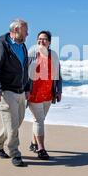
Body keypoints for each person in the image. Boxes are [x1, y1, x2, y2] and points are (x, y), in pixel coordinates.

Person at [0, 19, 30, 167]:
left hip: (20, 91)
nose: (28, 33)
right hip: (7, 92)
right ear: (16, 30)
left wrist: (27, 88)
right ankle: (15, 153)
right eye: (26, 30)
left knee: (17, 122)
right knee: (12, 125)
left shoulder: (23, 46)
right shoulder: (2, 45)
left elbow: (25, 69)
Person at [27, 31, 62, 160]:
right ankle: (41, 149)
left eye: (45, 39)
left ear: (49, 42)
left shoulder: (53, 55)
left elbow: (59, 75)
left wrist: (59, 91)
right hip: (33, 94)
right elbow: (23, 72)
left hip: (48, 94)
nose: (41, 41)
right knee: (39, 120)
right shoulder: (31, 54)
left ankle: (33, 143)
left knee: (39, 120)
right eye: (39, 39)